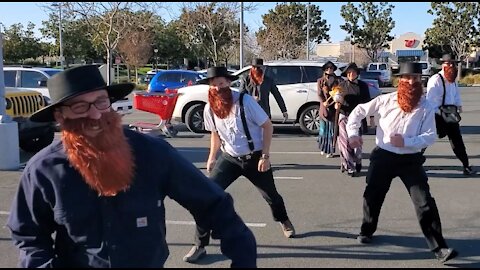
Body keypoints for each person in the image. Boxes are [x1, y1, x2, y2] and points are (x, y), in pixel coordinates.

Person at [6, 65, 257, 268]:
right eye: (80, 107)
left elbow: (213, 203)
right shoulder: (44, 169)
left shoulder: (152, 153)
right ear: (61, 117)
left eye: (101, 102)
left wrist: (243, 256)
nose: (95, 115)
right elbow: (29, 237)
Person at [346, 62, 458, 263]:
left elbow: (430, 136)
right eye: (407, 78)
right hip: (384, 156)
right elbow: (358, 112)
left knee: (424, 202)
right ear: (400, 81)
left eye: (415, 78)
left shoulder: (425, 107)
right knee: (373, 194)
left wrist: (406, 142)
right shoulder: (385, 100)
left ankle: (440, 248)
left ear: (420, 81)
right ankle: (367, 230)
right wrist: (353, 134)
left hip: (410, 160)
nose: (411, 82)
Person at [183, 66, 295, 264]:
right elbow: (215, 134)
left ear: (228, 82)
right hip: (230, 158)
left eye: (222, 83)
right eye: (214, 84)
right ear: (209, 87)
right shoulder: (210, 107)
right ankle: (200, 245)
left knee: (271, 196)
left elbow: (268, 126)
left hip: (255, 157)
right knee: (206, 198)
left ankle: (284, 220)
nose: (218, 88)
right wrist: (212, 157)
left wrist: (265, 156)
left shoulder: (245, 101)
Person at [426, 53, 476, 175]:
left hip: (451, 115)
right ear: (442, 65)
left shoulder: (453, 80)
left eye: (453, 64)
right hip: (437, 115)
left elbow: (456, 95)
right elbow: (430, 102)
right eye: (448, 63)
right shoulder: (435, 80)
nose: (451, 66)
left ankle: (466, 165)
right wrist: (441, 113)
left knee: (457, 141)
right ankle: (411, 164)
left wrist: (459, 106)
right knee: (426, 139)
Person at [336, 63, 371, 176]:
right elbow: (336, 99)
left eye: (353, 72)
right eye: (349, 73)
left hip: (357, 118)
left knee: (356, 143)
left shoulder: (363, 86)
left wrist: (371, 118)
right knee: (344, 142)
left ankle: (358, 160)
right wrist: (337, 104)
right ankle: (348, 166)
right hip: (344, 115)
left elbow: (368, 103)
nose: (351, 74)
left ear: (357, 73)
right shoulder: (341, 86)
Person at [317, 61, 343, 158]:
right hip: (324, 108)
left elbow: (339, 92)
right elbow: (319, 94)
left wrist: (336, 101)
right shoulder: (320, 81)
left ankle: (331, 150)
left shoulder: (338, 80)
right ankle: (323, 147)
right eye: (327, 68)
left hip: (334, 108)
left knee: (332, 131)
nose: (329, 70)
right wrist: (324, 102)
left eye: (331, 68)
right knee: (323, 130)